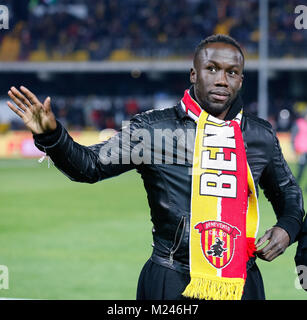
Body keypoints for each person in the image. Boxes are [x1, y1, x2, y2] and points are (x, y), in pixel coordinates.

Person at [6, 34, 305, 300]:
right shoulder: (152, 129)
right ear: (193, 74)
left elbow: (289, 196)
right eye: (211, 69)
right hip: (172, 279)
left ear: (241, 80)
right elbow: (89, 166)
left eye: (232, 72)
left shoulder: (260, 135)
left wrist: (287, 229)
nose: (221, 80)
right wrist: (52, 134)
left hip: (241, 283)